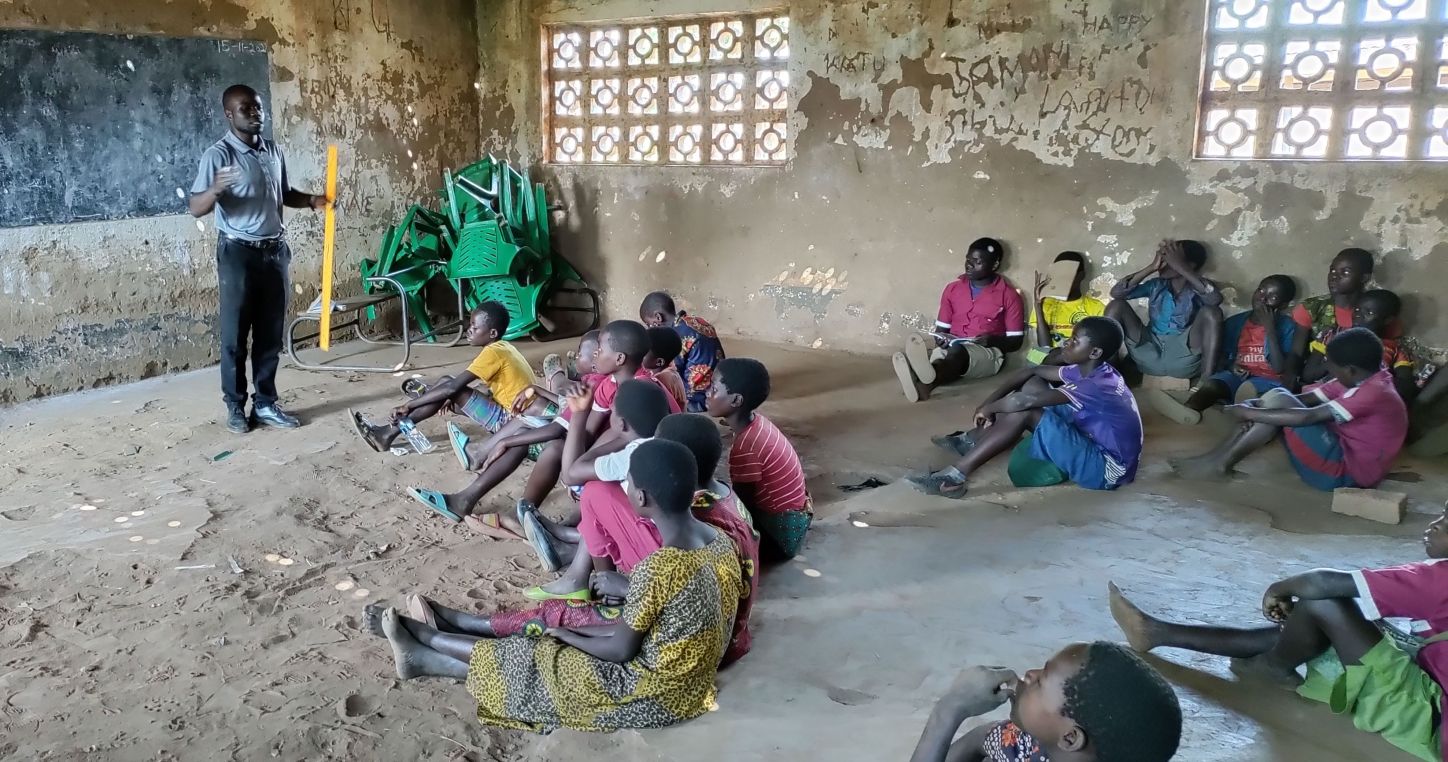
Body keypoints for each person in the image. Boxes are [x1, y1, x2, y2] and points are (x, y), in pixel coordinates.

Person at [371, 439, 742, 734]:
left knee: (539, 656)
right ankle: (433, 645)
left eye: (627, 484)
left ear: (641, 498)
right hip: (688, 674)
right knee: (570, 625)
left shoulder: (660, 566)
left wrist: (564, 636)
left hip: (657, 694)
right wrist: (614, 604)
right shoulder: (719, 542)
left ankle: (427, 645)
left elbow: (619, 652)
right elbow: (680, 608)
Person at [1109, 504, 1448, 761]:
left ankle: (1270, 667)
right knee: (1323, 625)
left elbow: (1321, 583)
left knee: (1324, 606)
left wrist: (1278, 589)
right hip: (1432, 691)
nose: (1434, 525)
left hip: (1425, 716)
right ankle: (1156, 632)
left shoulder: (1439, 579)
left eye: (1446, 521)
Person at [405, 320, 651, 525]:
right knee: (536, 425)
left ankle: (514, 511)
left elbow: (575, 431)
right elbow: (584, 428)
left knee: (542, 440)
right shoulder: (610, 383)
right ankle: (484, 497)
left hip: (623, 471)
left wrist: (506, 441)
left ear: (619, 358)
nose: (596, 353)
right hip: (597, 453)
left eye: (598, 348)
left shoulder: (620, 388)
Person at [190, 84, 328, 434]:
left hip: (274, 252)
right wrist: (216, 189)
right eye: (245, 109)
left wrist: (313, 201)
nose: (255, 114)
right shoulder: (217, 156)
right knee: (235, 336)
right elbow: (196, 207)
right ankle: (236, 407)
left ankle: (266, 403)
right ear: (229, 114)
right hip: (238, 253)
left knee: (270, 334)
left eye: (258, 108)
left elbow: (285, 194)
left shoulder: (272, 151)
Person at [910, 317, 1142, 499]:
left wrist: (990, 408)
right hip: (1091, 435)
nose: (1066, 343)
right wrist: (987, 402)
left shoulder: (1096, 384)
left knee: (1024, 408)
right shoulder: (1090, 368)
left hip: (1107, 470)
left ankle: (953, 479)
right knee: (1033, 385)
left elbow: (1023, 403)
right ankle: (973, 440)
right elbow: (1033, 371)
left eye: (1074, 341)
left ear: (1094, 352)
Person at [1172, 327, 1407, 491]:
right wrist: (1260, 405)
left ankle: (1220, 464)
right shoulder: (1365, 376)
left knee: (1278, 405)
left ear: (1351, 370)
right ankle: (1215, 459)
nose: (1330, 374)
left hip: (1346, 475)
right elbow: (1307, 399)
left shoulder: (1373, 392)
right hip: (1340, 451)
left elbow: (1310, 417)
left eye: (1334, 370)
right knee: (1277, 396)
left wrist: (1248, 413)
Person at [909, 642, 1181, 762]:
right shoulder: (1030, 745)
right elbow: (981, 739)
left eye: (1041, 681)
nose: (1030, 675)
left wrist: (950, 708)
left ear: (1071, 738)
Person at [521, 380, 672, 593]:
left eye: (612, 412)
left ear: (621, 424)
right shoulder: (665, 440)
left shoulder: (631, 456)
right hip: (673, 545)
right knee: (601, 488)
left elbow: (571, 475)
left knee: (594, 493)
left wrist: (579, 415)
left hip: (658, 562)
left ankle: (605, 586)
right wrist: (620, 437)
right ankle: (578, 569)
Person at [348, 302, 540, 457]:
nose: (469, 330)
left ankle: (388, 432)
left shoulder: (493, 352)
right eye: (470, 325)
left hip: (509, 423)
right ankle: (429, 396)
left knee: (448, 385)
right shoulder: (505, 348)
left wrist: (409, 405)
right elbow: (491, 388)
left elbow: (453, 386)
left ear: (492, 334)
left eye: (474, 326)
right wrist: (449, 396)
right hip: (516, 417)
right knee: (447, 392)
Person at [1148, 275, 1297, 425]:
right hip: (1237, 377)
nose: (1263, 298)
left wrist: (1270, 328)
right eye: (1261, 290)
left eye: (1272, 297)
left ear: (1283, 305)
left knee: (1254, 391)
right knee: (1213, 386)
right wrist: (1231, 366)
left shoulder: (1287, 327)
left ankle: (1235, 410)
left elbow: (1280, 368)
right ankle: (1190, 408)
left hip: (1267, 381)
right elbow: (1220, 357)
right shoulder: (1236, 322)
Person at [895, 237, 1025, 402]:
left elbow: (1016, 342)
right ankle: (926, 374)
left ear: (995, 265)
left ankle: (925, 383)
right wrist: (941, 339)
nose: (969, 265)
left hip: (988, 353)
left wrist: (992, 341)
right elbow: (941, 330)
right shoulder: (953, 289)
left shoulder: (1009, 295)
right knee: (947, 354)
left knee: (956, 354)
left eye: (977, 261)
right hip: (951, 346)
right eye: (968, 260)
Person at [705, 358, 812, 560]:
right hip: (794, 518)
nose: (707, 393)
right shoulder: (758, 423)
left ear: (736, 401)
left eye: (714, 388)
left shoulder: (747, 447)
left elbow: (742, 509)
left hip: (780, 538)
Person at [1104, 239, 1224, 382]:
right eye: (1162, 258)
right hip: (1149, 351)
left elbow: (1214, 300)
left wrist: (1183, 269)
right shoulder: (1156, 285)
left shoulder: (1199, 287)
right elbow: (1117, 293)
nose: (1162, 265)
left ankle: (1206, 381)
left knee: (1212, 312)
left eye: (1169, 261)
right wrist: (1151, 267)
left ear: (1187, 265)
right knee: (1116, 305)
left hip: (1184, 355)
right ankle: (1110, 375)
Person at [1300, 289, 1419, 404]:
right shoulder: (1331, 336)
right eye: (1357, 309)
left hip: (1359, 405)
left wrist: (1367, 377)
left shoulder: (1395, 349)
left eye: (1368, 313)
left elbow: (1406, 387)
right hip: (1317, 400)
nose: (1358, 315)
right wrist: (1337, 365)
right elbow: (1309, 375)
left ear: (1387, 320)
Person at [1290, 247, 1383, 387]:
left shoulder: (1375, 310)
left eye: (1345, 272)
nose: (1334, 276)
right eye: (1332, 270)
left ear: (1364, 278)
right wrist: (1290, 376)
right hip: (1317, 380)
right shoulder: (1312, 308)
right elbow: (1296, 352)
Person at [640, 291, 725, 412]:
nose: (650, 328)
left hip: (698, 398)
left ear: (658, 317)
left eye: (649, 324)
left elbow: (671, 370)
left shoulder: (676, 336)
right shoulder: (694, 321)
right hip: (718, 387)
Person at [1027, 251, 1106, 366]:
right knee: (1035, 354)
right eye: (1058, 274)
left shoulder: (1096, 307)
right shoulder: (1045, 303)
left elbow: (1097, 347)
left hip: (1078, 360)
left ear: (1081, 275)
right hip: (1051, 359)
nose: (1062, 279)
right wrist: (1038, 306)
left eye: (1068, 274)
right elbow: (1044, 346)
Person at [644, 326, 688, 411]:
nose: (637, 353)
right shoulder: (670, 370)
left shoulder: (662, 378)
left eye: (643, 352)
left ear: (659, 362)